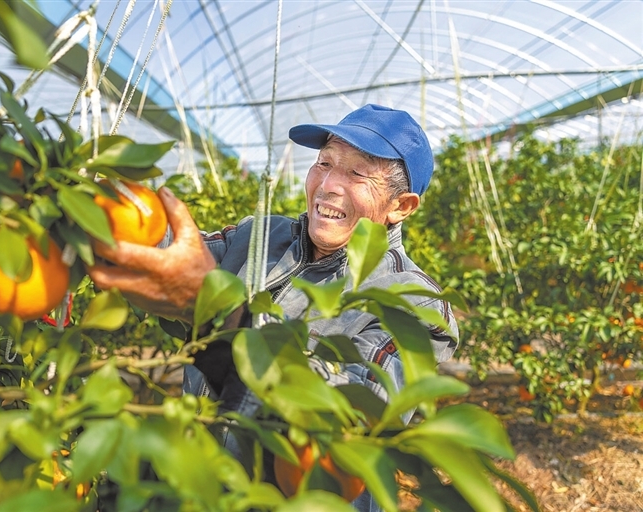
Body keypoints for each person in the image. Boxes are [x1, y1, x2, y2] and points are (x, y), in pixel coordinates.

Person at [88, 104, 459, 511]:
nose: (329, 185)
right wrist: (86, 207)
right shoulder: (260, 236)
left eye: (356, 174)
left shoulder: (414, 303)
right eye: (324, 163)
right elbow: (170, 254)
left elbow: (346, 416)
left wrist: (218, 315)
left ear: (401, 206)